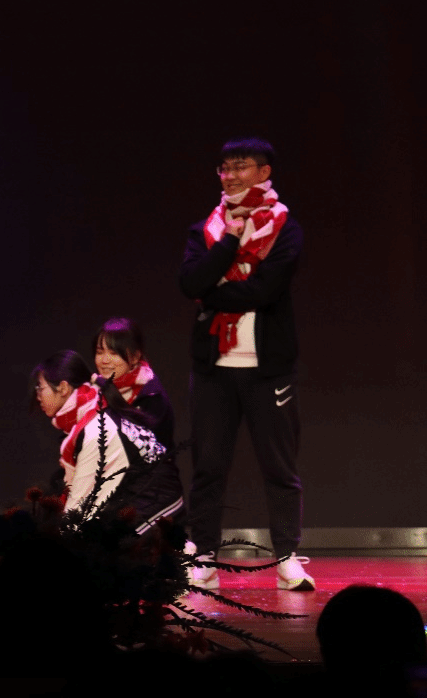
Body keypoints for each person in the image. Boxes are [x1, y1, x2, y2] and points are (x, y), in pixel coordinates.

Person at [179, 138, 313, 591]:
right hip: (213, 368)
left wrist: (213, 294)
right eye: (224, 168)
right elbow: (190, 282)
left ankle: (287, 557)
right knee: (208, 467)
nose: (230, 175)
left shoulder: (285, 227)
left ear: (263, 171)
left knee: (279, 468)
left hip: (267, 368)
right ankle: (204, 556)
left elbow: (266, 290)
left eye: (240, 166)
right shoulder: (207, 229)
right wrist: (229, 243)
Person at [33, 350, 183, 532]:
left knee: (95, 539)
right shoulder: (92, 407)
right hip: (135, 491)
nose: (37, 396)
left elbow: (79, 509)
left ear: (63, 388)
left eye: (40, 388)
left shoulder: (96, 429)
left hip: (157, 497)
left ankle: (183, 549)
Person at [91, 317, 176, 450]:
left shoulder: (151, 398)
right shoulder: (92, 391)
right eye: (99, 352)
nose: (105, 360)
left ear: (135, 357)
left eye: (114, 353)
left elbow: (154, 451)